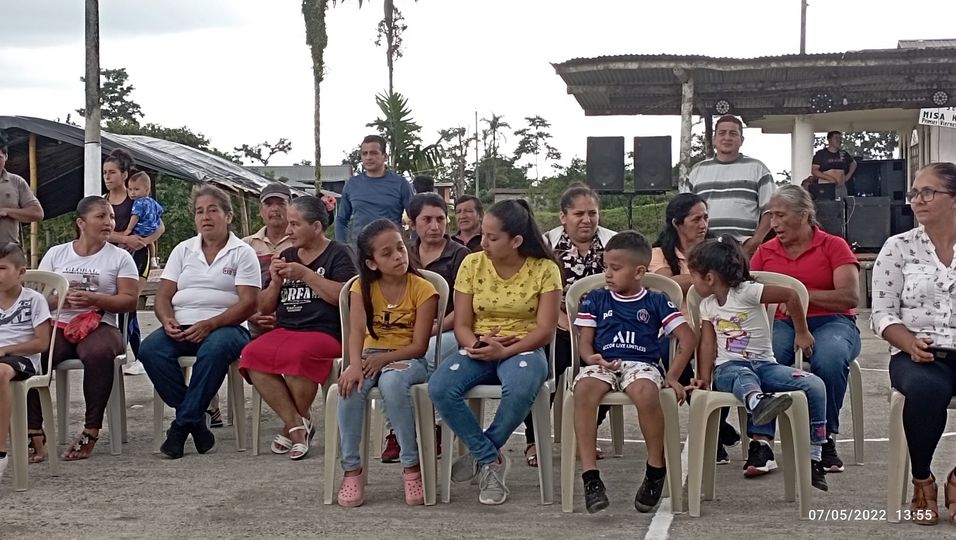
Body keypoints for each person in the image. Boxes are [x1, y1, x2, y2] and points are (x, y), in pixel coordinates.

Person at [428, 199, 561, 506]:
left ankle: (482, 453)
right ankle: (491, 458)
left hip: (524, 347)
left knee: (521, 387)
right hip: (479, 345)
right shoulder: (472, 264)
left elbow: (545, 330)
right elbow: (462, 324)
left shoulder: (545, 269)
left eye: (492, 237)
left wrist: (505, 350)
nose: (483, 243)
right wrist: (477, 345)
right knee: (440, 387)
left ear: (516, 241)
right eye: (483, 235)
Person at [688, 236, 829, 491]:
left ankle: (815, 454)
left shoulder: (748, 291)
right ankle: (758, 402)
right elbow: (707, 344)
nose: (692, 281)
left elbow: (790, 295)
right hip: (729, 369)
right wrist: (704, 378)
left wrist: (802, 331)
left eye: (693, 275)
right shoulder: (708, 306)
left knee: (815, 385)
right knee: (743, 376)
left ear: (709, 278)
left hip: (765, 366)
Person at [572, 231, 696, 514]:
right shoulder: (595, 299)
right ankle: (591, 477)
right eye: (606, 267)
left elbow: (688, 339)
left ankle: (655, 468)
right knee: (584, 389)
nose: (608, 274)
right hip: (603, 362)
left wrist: (672, 375)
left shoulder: (656, 301)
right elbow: (585, 343)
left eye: (615, 268)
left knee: (645, 391)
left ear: (640, 272)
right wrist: (590, 358)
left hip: (642, 364)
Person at [139, 185, 260, 459]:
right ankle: (196, 423)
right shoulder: (183, 250)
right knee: (150, 349)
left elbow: (248, 303)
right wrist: (167, 320)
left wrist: (211, 324)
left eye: (212, 210)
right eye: (199, 211)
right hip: (182, 324)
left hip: (228, 327)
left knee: (214, 349)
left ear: (228, 216)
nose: (205, 217)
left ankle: (180, 427)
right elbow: (163, 296)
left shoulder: (242, 252)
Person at [750, 184, 860, 474]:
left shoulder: (833, 245)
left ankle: (824, 438)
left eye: (780, 215)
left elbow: (850, 297)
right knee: (765, 355)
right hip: (783, 322)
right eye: (771, 216)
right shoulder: (765, 252)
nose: (774, 223)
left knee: (831, 357)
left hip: (833, 320)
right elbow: (749, 293)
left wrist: (799, 297)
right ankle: (761, 441)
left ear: (803, 215)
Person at [871, 162, 956, 526]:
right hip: (918, 354)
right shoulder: (898, 247)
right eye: (914, 193)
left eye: (928, 192)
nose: (917, 200)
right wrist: (908, 343)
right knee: (925, 390)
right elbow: (882, 313)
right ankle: (922, 478)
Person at [240, 195, 355, 461]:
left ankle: (292, 427)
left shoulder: (339, 253)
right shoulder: (287, 255)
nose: (288, 230)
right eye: (288, 224)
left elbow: (345, 296)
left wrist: (305, 274)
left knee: (297, 356)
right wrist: (276, 282)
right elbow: (264, 307)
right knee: (251, 354)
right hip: (287, 328)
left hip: (326, 331)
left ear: (316, 226)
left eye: (295, 224)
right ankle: (296, 424)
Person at [335, 219, 438, 507]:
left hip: (407, 358)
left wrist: (383, 359)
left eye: (401, 248)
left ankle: (411, 465)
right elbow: (356, 331)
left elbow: (419, 346)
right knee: (350, 386)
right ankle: (351, 469)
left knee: (393, 383)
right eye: (387, 253)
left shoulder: (423, 289)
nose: (398, 256)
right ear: (371, 263)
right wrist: (354, 365)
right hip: (370, 355)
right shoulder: (361, 288)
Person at [28, 196, 139, 461]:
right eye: (101, 216)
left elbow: (129, 300)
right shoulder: (57, 254)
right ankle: (34, 431)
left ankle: (91, 430)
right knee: (33, 353)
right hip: (59, 323)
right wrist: (60, 300)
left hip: (101, 324)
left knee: (97, 353)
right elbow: (37, 298)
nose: (109, 222)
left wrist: (94, 299)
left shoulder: (120, 257)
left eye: (111, 217)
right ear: (81, 222)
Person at [525, 184, 615, 468]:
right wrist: (561, 321)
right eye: (579, 214)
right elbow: (532, 291)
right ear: (563, 216)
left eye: (592, 213)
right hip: (558, 325)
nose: (587, 220)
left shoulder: (614, 243)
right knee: (543, 364)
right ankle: (534, 438)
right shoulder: (545, 245)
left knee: (614, 362)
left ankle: (585, 433)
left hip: (605, 326)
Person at [651, 193, 740, 464]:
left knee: (724, 358)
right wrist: (709, 275)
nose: (703, 224)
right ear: (677, 223)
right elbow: (668, 286)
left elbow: (734, 278)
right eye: (696, 219)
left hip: (718, 323)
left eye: (706, 218)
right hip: (675, 328)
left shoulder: (717, 247)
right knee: (674, 352)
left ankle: (714, 427)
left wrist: (695, 278)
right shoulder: (659, 254)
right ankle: (715, 428)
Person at [400, 193, 470, 461]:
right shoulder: (403, 253)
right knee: (388, 359)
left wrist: (434, 328)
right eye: (427, 220)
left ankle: (435, 426)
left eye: (440, 219)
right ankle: (398, 429)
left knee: (429, 352)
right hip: (407, 328)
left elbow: (465, 307)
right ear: (413, 223)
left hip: (450, 329)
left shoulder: (461, 255)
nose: (435, 226)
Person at [102, 149, 166, 376]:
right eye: (104, 172)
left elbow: (160, 227)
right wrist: (124, 239)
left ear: (124, 174)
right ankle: (119, 352)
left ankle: (138, 357)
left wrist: (143, 242)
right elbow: (96, 232)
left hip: (138, 258)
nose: (107, 177)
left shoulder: (139, 199)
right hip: (111, 259)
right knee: (113, 306)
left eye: (112, 172)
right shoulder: (102, 202)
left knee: (129, 305)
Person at [680, 115, 774, 256]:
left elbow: (770, 210)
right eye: (722, 133)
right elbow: (684, 211)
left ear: (741, 140)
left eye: (733, 133)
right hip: (705, 251)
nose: (727, 137)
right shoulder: (697, 171)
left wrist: (755, 242)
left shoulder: (758, 169)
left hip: (742, 250)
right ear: (714, 139)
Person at [0, 243, 52, 481]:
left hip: (23, 359)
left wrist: (6, 349)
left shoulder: (34, 300)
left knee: (1, 372)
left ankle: (1, 452)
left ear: (21, 272)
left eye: (2, 268)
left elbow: (42, 342)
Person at [335, 135, 414, 244]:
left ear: (385, 156)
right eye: (365, 153)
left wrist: (415, 245)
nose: (368, 157)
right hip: (360, 249)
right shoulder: (352, 184)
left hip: (391, 248)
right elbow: (341, 220)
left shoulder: (401, 184)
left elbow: (416, 217)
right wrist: (342, 246)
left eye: (374, 153)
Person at [0, 132, 44, 245]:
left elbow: (37, 213)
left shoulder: (16, 181)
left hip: (8, 249)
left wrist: (7, 211)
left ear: (6, 156)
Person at [120, 172, 164, 263]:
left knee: (123, 245)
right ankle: (153, 259)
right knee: (151, 243)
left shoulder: (139, 202)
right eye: (130, 189)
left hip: (140, 230)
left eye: (136, 189)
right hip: (152, 230)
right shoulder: (153, 202)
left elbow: (135, 216)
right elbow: (160, 211)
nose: (133, 192)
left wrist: (128, 229)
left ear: (147, 190)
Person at [811, 131, 857, 200]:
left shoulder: (843, 153)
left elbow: (853, 164)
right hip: (826, 186)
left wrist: (848, 176)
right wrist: (830, 178)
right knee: (827, 204)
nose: (839, 140)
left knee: (842, 204)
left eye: (840, 138)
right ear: (829, 139)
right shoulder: (821, 154)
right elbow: (814, 171)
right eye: (836, 138)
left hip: (841, 185)